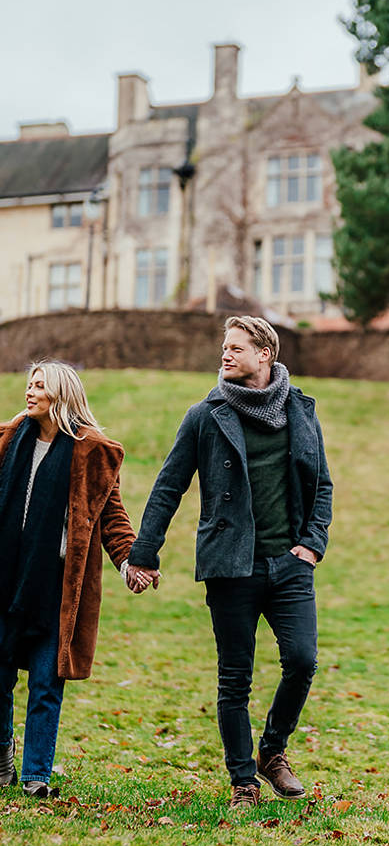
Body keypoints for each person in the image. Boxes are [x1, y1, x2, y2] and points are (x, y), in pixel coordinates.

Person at [128, 316, 333, 809]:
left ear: (265, 354)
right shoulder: (206, 415)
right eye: (224, 347)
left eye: (236, 348)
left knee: (302, 661)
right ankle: (243, 781)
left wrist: (312, 544)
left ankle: (272, 751)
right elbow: (168, 486)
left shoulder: (300, 409)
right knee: (235, 678)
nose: (225, 354)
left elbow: (322, 484)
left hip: (289, 564)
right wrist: (144, 552)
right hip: (230, 566)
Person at [0, 360, 157, 798]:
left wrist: (131, 562)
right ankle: (2, 757)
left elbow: (112, 518)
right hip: (5, 576)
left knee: (46, 680)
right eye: (29, 385)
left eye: (39, 386)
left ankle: (36, 776)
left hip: (56, 586)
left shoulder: (91, 453)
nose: (30, 392)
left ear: (61, 394)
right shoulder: (9, 440)